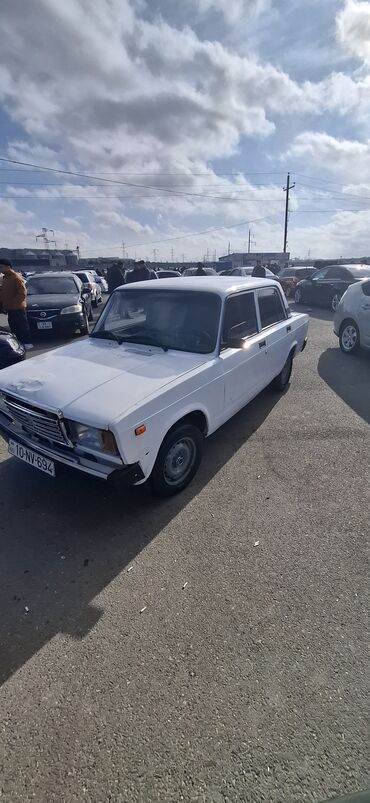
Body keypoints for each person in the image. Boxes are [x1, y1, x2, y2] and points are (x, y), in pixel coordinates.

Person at [0, 258, 33, 349]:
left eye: (1, 267)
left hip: (17, 308)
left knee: (21, 326)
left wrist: (14, 304)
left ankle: (27, 342)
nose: (0, 269)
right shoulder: (5, 278)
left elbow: (22, 293)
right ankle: (19, 343)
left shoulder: (16, 277)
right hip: (10, 308)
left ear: (8, 267)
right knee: (14, 327)